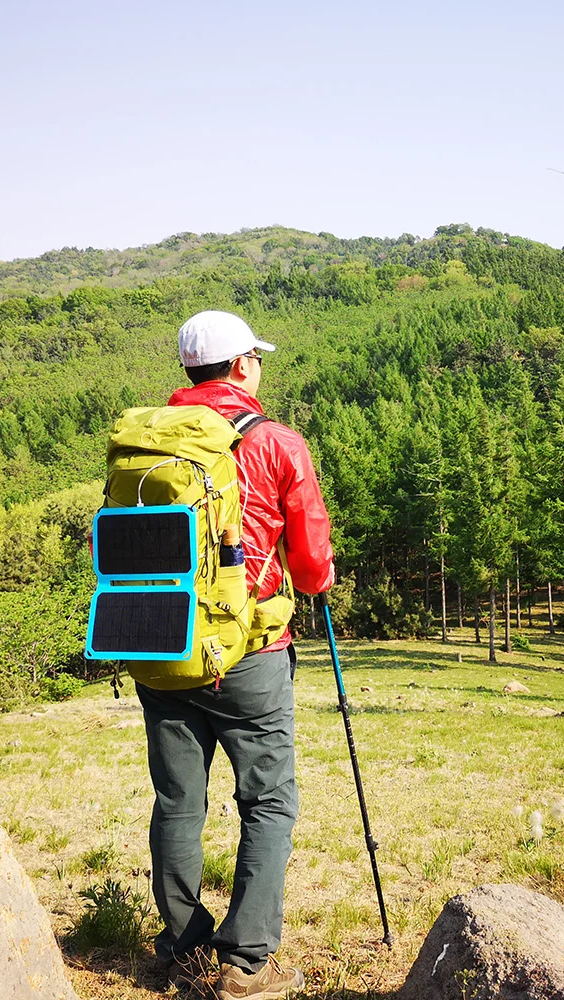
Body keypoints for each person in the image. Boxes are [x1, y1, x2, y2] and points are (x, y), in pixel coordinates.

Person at [138, 310, 334, 1000]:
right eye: (257, 358)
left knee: (178, 802)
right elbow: (311, 570)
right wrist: (318, 577)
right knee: (269, 802)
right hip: (248, 652)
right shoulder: (277, 441)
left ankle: (182, 947)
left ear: (189, 370)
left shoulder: (149, 440)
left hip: (161, 643)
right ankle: (246, 964)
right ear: (243, 365)